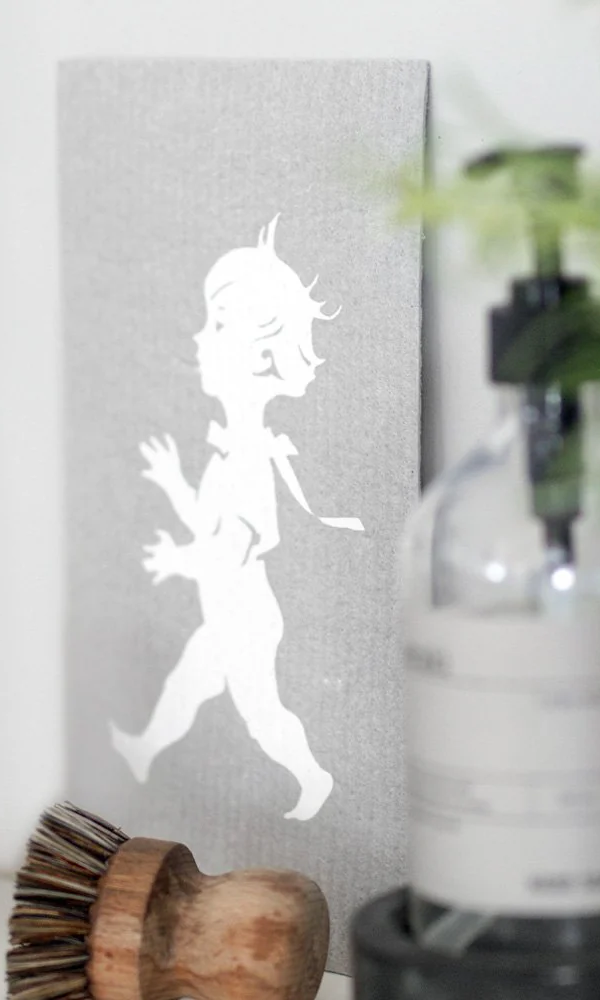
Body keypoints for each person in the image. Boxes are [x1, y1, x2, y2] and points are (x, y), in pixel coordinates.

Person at [111, 216, 362, 821]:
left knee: (261, 715)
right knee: (188, 680)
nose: (201, 338)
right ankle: (144, 750)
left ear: (263, 359)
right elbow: (209, 522)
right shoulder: (231, 450)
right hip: (225, 613)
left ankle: (314, 777)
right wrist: (174, 482)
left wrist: (179, 560)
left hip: (246, 618)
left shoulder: (249, 456)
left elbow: (230, 549)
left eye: (218, 324)